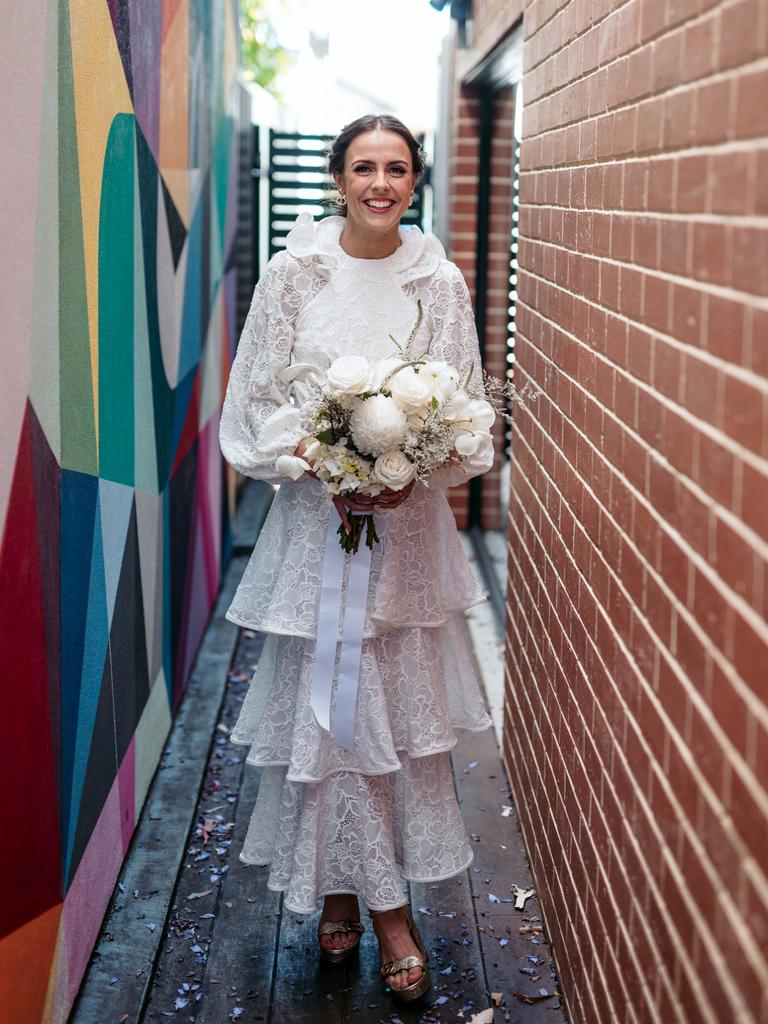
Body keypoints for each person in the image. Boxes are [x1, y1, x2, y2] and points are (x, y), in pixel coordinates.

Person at [219, 114, 494, 1003]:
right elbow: (252, 405)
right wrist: (315, 461)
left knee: (393, 725)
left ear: (415, 182)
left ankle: (386, 906)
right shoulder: (293, 274)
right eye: (365, 168)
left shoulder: (440, 281)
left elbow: (468, 416)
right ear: (337, 177)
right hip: (315, 532)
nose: (382, 183)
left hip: (405, 542)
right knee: (327, 717)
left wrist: (407, 470)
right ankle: (347, 891)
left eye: (399, 169)